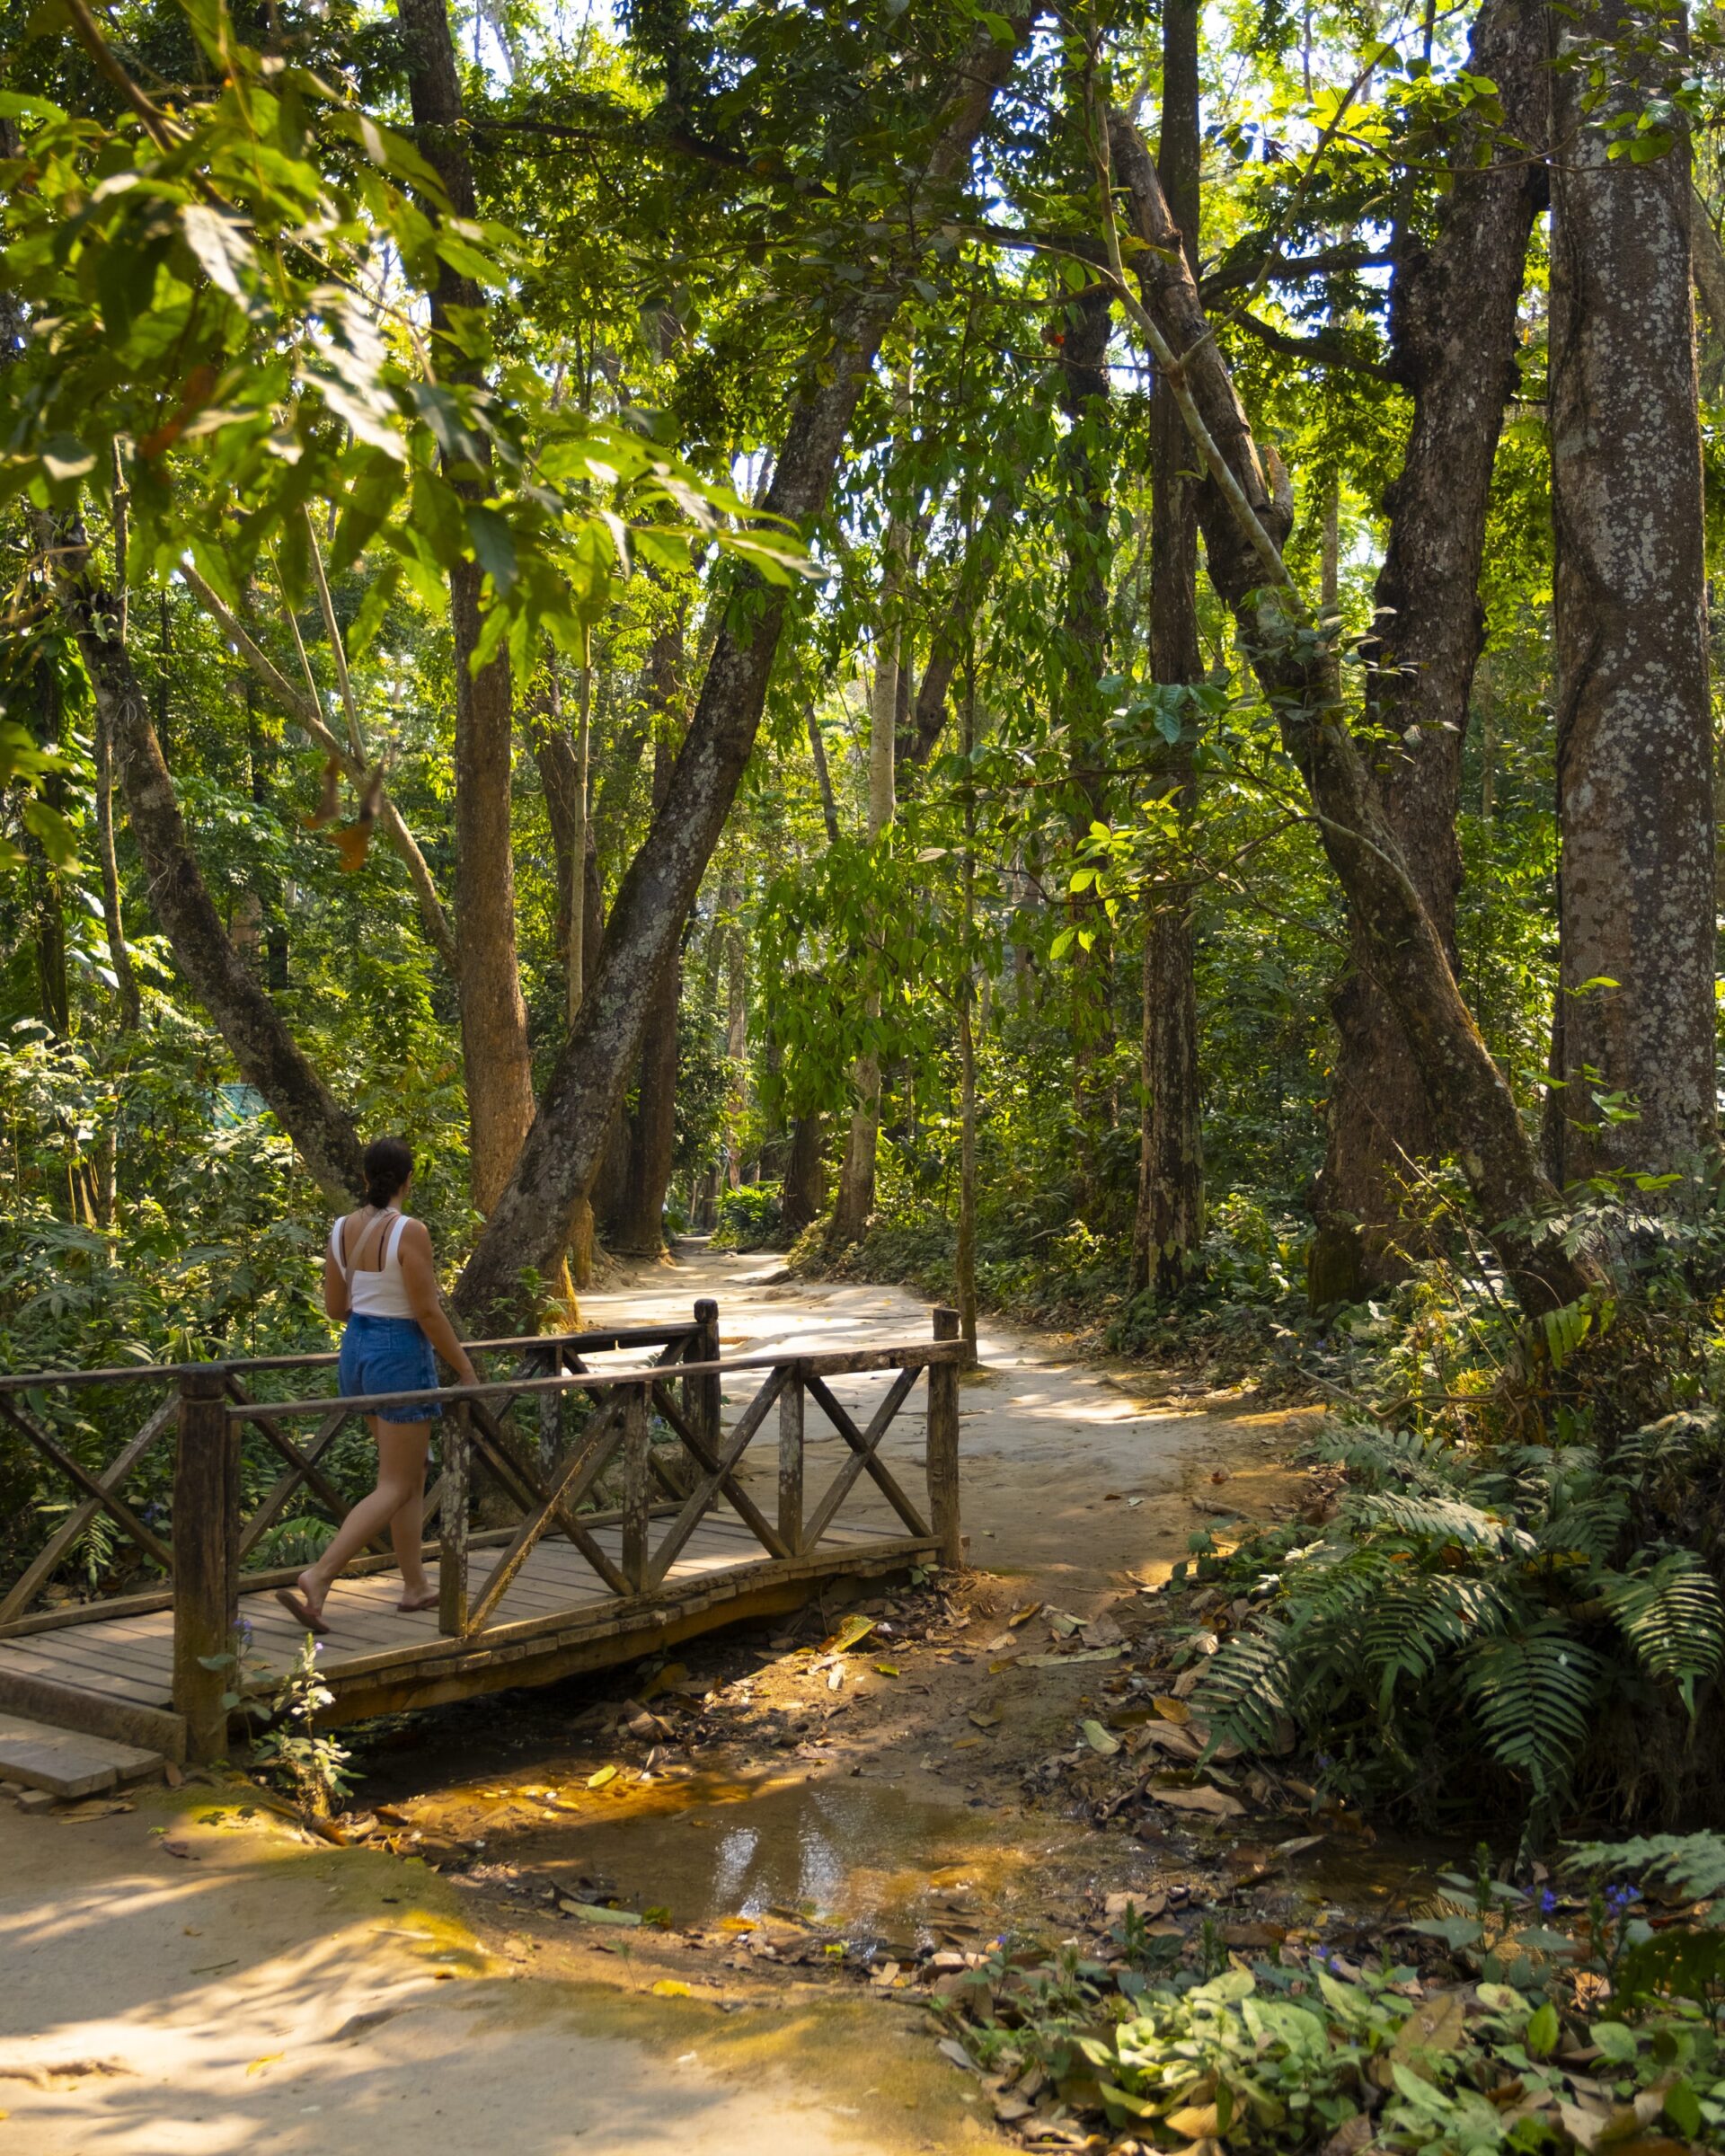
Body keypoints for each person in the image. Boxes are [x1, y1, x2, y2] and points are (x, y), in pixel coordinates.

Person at [276, 1136, 477, 1633]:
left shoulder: (342, 1228)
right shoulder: (411, 1231)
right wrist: (466, 1370)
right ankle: (319, 1575)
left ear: (365, 1179)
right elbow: (427, 1311)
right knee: (398, 1481)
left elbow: (335, 1308)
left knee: (406, 1476)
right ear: (409, 1180)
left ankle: (415, 1585)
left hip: (357, 1349)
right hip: (398, 1352)